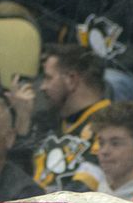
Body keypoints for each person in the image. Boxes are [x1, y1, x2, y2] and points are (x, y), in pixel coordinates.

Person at [31, 44, 111, 192]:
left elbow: (84, 190)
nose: (42, 87)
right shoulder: (47, 121)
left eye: (49, 78)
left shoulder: (110, 123)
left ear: (71, 79)